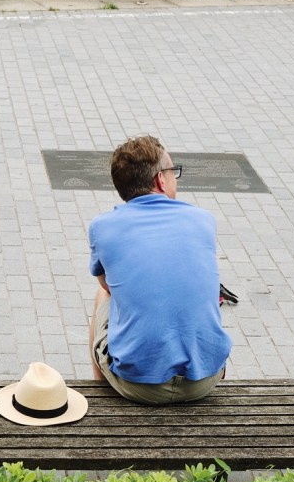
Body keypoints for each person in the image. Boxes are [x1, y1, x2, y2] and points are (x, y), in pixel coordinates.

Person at [88, 134, 232, 404]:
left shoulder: (102, 226)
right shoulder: (203, 219)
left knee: (102, 297)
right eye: (173, 171)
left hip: (138, 386)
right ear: (160, 180)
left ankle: (101, 396)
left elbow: (107, 286)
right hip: (205, 380)